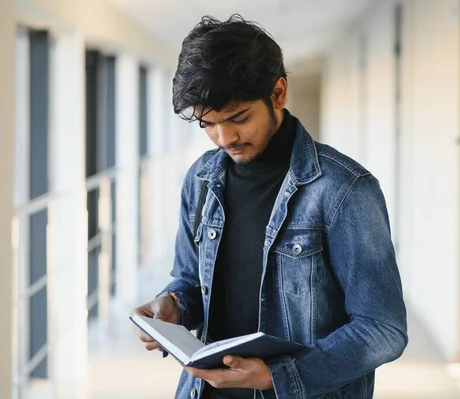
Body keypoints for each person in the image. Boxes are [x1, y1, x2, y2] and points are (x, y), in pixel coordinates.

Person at [131, 14, 408, 399]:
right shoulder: (200, 178)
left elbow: (383, 328)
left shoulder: (345, 190)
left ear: (278, 93)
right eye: (207, 124)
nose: (224, 138)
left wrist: (277, 376)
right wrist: (173, 306)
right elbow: (191, 280)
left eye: (239, 118)